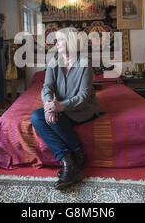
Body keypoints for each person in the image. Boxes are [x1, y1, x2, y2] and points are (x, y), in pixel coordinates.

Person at [31, 27, 99, 190]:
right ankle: (69, 160)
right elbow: (47, 87)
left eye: (60, 39)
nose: (57, 43)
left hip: (82, 109)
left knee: (56, 119)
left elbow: (84, 97)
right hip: (60, 106)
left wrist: (59, 107)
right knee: (36, 116)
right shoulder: (54, 61)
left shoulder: (85, 63)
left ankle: (77, 154)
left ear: (70, 42)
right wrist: (49, 105)